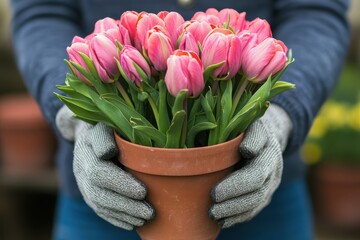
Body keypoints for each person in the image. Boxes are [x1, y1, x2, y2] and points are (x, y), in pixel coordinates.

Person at [10, 0, 350, 239]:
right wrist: (76, 115)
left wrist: (280, 114)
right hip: (103, 192)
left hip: (265, 197)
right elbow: (42, 13)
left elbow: (316, 12)